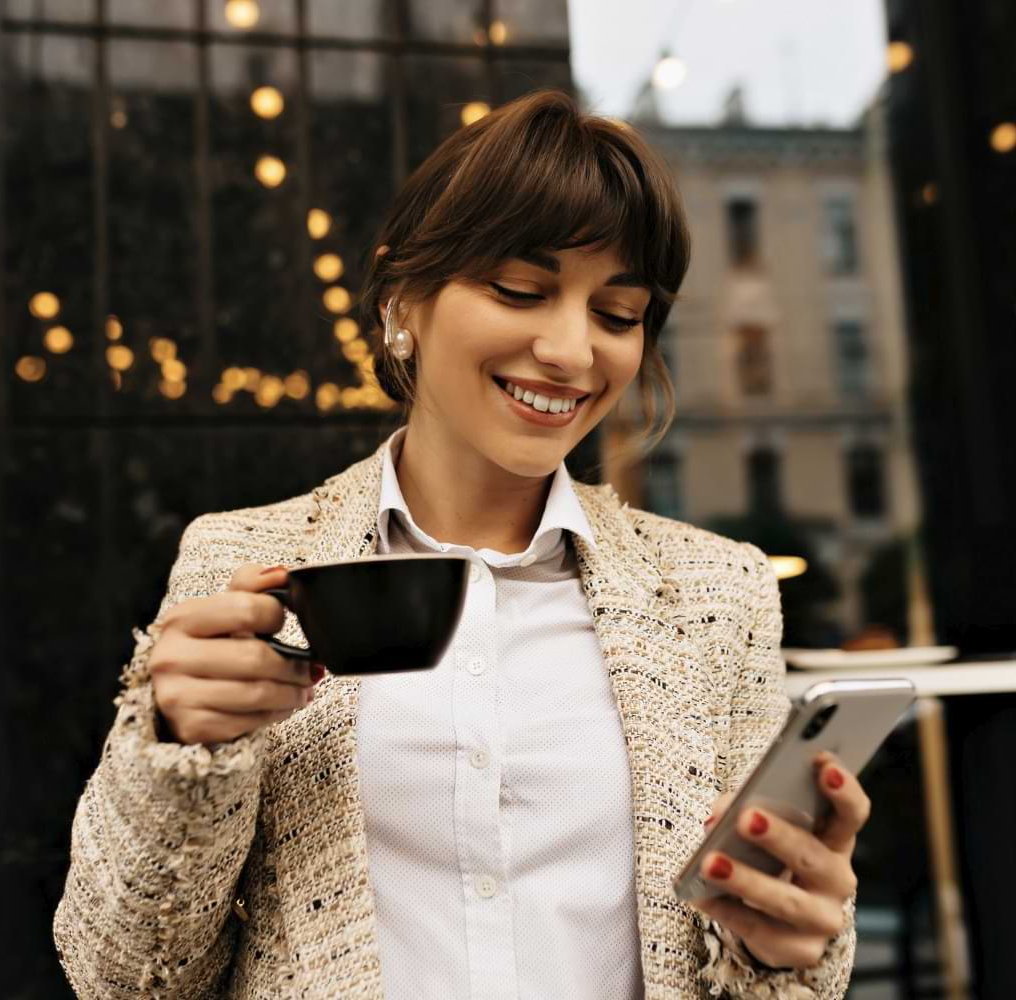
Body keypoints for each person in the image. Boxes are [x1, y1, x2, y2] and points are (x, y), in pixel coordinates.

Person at [53, 89, 867, 999]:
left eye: (618, 313)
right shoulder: (244, 561)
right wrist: (180, 753)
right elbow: (121, 976)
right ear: (404, 294)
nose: (570, 350)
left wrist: (793, 950)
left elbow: (769, 968)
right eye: (521, 291)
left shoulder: (720, 594)